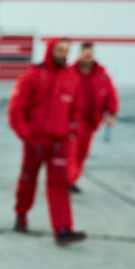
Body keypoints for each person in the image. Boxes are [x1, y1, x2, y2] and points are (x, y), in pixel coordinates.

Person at [8, 36, 86, 245]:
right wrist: (26, 136)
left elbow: (77, 110)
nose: (63, 54)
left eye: (66, 50)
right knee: (28, 181)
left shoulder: (72, 78)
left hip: (60, 143)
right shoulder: (33, 75)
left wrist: (72, 129)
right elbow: (16, 109)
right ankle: (21, 215)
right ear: (51, 50)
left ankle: (63, 229)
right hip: (35, 142)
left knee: (59, 184)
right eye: (60, 49)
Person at [68, 41, 119, 192]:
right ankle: (68, 180)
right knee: (71, 152)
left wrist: (112, 114)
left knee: (82, 154)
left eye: (90, 55)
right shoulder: (69, 73)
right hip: (72, 121)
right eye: (85, 54)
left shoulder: (101, 75)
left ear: (93, 55)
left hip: (90, 122)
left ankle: (72, 179)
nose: (87, 57)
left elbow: (110, 95)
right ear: (79, 55)